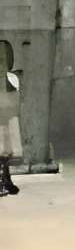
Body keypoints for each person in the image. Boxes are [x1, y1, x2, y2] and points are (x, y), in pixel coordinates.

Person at [0, 39, 22, 196]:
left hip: (6, 119)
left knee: (6, 151)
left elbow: (15, 101)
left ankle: (6, 180)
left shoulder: (11, 81)